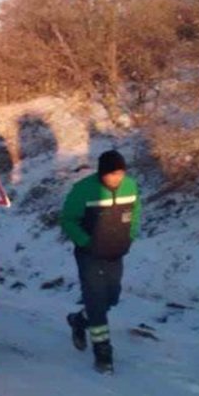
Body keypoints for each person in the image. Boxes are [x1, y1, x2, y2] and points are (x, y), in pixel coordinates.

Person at [59, 150, 142, 374]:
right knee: (96, 300)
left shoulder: (131, 186)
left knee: (111, 297)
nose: (116, 178)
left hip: (116, 252)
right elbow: (67, 219)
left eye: (120, 173)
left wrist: (130, 237)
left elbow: (135, 214)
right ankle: (103, 353)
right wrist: (85, 242)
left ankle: (79, 320)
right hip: (89, 254)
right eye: (111, 174)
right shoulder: (83, 190)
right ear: (101, 173)